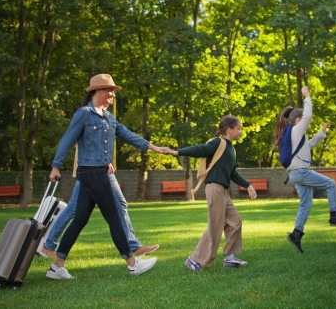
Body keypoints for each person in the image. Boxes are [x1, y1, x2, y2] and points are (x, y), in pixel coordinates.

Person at [46, 73, 164, 279]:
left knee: (80, 219)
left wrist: (154, 147)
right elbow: (67, 140)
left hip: (99, 171)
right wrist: (56, 166)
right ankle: (132, 263)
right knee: (115, 215)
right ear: (98, 91)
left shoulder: (108, 116)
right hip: (91, 172)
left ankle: (57, 267)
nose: (112, 95)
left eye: (113, 91)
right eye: (110, 91)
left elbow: (127, 134)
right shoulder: (83, 114)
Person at [164, 115, 258, 271]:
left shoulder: (231, 149)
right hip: (214, 188)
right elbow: (200, 149)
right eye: (238, 128)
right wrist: (176, 153)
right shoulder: (218, 143)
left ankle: (230, 258)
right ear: (229, 130)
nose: (240, 132)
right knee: (215, 226)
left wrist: (248, 185)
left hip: (223, 191)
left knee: (235, 221)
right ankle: (195, 260)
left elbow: (233, 173)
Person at [272, 86, 336, 254]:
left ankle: (296, 234)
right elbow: (308, 115)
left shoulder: (295, 134)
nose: (307, 121)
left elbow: (309, 146)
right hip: (300, 172)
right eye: (304, 119)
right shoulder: (297, 128)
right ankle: (335, 216)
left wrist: (322, 131)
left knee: (306, 204)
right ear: (299, 119)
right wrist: (307, 96)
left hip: (295, 174)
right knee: (330, 184)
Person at [39, 176, 159, 259]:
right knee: (73, 209)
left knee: (120, 205)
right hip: (91, 170)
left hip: (103, 169)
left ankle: (133, 245)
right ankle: (49, 245)